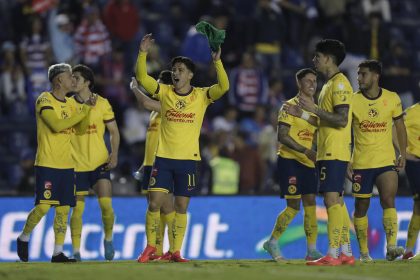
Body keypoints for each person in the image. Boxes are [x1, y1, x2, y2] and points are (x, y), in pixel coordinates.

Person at [135, 33, 229, 263]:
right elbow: (143, 79)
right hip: (164, 158)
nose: (176, 73)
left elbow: (224, 87)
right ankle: (150, 247)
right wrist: (142, 53)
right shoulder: (165, 92)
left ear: (190, 75)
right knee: (154, 202)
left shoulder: (201, 96)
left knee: (181, 206)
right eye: (174, 70)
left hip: (188, 160)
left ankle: (175, 251)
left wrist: (217, 62)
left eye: (180, 70)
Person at [284, 39, 354, 266]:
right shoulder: (328, 85)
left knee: (331, 199)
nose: (314, 60)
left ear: (328, 59)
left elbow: (342, 120)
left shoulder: (340, 84)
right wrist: (301, 114)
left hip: (334, 150)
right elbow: (323, 120)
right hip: (327, 150)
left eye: (317, 56)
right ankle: (346, 253)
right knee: (338, 201)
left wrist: (313, 108)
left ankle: (333, 255)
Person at [16, 63, 92, 263]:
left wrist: (84, 109)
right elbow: (57, 125)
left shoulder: (71, 103)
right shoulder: (44, 99)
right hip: (48, 162)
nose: (73, 80)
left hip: (67, 164)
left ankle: (57, 252)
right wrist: (81, 113)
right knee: (43, 207)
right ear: (59, 80)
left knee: (64, 209)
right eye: (70, 77)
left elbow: (81, 129)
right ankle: (23, 237)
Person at [263, 68, 323, 261]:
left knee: (311, 202)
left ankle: (311, 250)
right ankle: (272, 242)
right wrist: (306, 150)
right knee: (294, 206)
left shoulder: (316, 109)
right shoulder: (288, 106)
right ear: (299, 83)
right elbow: (282, 136)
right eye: (308, 81)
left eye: (314, 80)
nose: (312, 84)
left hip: (308, 162)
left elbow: (321, 129)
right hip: (290, 160)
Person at [349, 60, 406, 262]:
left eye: (363, 74)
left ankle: (391, 246)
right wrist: (348, 159)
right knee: (361, 207)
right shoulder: (352, 101)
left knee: (388, 200)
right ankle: (364, 253)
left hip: (385, 160)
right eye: (358, 74)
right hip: (361, 163)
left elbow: (399, 127)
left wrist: (402, 153)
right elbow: (345, 132)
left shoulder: (392, 98)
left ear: (375, 76)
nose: (359, 78)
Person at [69, 64, 120, 261]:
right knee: (77, 210)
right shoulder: (67, 104)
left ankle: (108, 239)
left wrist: (114, 154)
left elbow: (114, 132)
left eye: (76, 78)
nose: (72, 81)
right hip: (76, 164)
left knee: (106, 206)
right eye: (71, 78)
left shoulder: (102, 103)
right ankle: (75, 252)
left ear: (87, 82)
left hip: (99, 162)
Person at [130, 70, 176, 260]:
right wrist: (144, 164)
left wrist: (135, 88)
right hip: (150, 165)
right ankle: (158, 250)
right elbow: (152, 141)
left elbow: (144, 101)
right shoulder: (153, 114)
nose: (155, 88)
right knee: (154, 207)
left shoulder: (169, 106)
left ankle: (173, 249)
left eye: (158, 84)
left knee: (165, 208)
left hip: (163, 164)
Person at [398, 102, 420, 260]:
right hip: (415, 162)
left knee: (418, 205)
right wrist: (403, 153)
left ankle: (409, 250)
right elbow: (394, 128)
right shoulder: (412, 112)